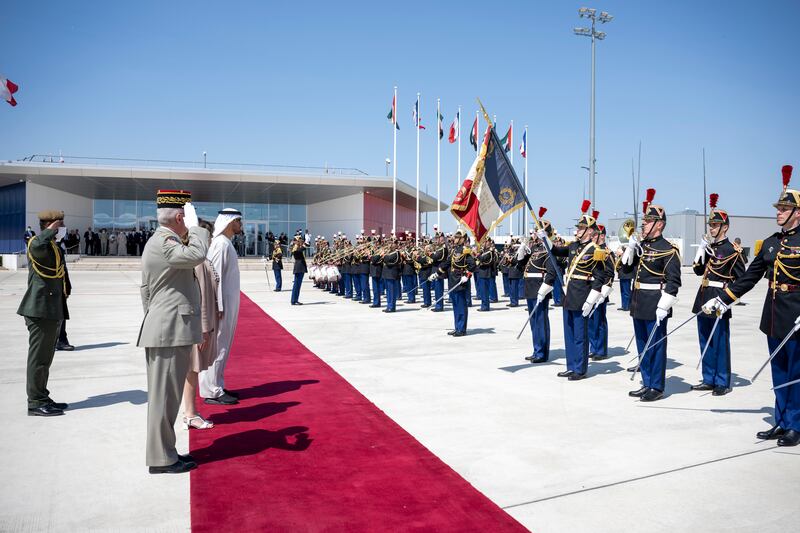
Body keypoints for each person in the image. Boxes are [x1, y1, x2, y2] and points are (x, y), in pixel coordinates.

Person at [707, 165, 800, 446]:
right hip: (774, 317)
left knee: (796, 373)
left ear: (798, 212)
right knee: (779, 371)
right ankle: (781, 421)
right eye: (778, 208)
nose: (778, 212)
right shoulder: (771, 243)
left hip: (796, 317)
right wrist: (723, 298)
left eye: (784, 209)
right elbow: (749, 277)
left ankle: (795, 424)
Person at [137, 190, 208, 474]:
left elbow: (146, 290)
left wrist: (155, 317)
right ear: (180, 217)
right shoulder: (166, 241)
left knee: (166, 398)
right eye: (186, 218)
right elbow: (197, 255)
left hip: (165, 327)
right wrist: (197, 229)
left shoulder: (161, 241)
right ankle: (162, 458)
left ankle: (164, 453)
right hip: (168, 330)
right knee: (164, 399)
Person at [619, 189, 681, 402]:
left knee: (655, 345)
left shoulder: (669, 249)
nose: (643, 224)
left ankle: (656, 386)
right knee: (642, 344)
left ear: (660, 224)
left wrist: (665, 304)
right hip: (638, 301)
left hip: (656, 303)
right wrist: (629, 252)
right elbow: (625, 272)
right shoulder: (641, 246)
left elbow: (674, 281)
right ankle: (646, 382)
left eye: (648, 221)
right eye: (644, 220)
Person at [689, 194, 746, 396]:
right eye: (711, 225)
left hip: (720, 297)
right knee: (705, 339)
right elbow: (697, 271)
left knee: (720, 341)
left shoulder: (733, 250)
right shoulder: (709, 247)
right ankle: (708, 378)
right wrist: (701, 251)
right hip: (704, 295)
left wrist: (728, 300)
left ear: (725, 227)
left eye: (715, 225)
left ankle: (722, 380)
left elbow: (741, 280)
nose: (711, 228)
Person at [547, 201, 611, 380]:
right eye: (579, 226)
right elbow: (556, 251)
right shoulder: (574, 246)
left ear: (590, 231)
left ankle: (580, 369)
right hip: (569, 294)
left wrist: (592, 298)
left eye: (582, 227)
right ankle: (571, 365)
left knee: (579, 334)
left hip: (583, 295)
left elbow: (600, 276)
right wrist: (545, 237)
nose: (578, 230)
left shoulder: (596, 250)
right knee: (569, 333)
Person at [18, 210, 72, 416]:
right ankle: (35, 402)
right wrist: (50, 231)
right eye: (60, 225)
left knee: (45, 359)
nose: (62, 229)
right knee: (38, 359)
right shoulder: (37, 243)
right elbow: (38, 244)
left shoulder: (52, 246)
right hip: (39, 310)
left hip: (50, 310)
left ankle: (42, 396)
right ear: (52, 225)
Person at [199, 208, 243, 406]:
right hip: (221, 306)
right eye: (238, 221)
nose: (240, 224)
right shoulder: (220, 244)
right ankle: (211, 390)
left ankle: (218, 384)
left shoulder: (225, 243)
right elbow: (213, 276)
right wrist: (217, 304)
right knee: (218, 347)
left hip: (228, 304)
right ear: (229, 222)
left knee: (224, 346)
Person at [183, 219, 218, 431]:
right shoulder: (198, 262)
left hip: (200, 326)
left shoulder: (203, 259)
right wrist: (204, 329)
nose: (211, 239)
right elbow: (201, 297)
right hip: (198, 328)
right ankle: (190, 414)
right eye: (208, 235)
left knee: (192, 371)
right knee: (191, 371)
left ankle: (189, 412)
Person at [521, 212, 558, 363]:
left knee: (540, 321)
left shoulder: (549, 249)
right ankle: (536, 349)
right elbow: (523, 266)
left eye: (539, 231)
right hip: (530, 287)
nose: (536, 233)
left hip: (540, 287)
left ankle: (542, 352)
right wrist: (521, 252)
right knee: (534, 322)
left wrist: (545, 288)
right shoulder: (536, 248)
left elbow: (551, 271)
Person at [430, 229, 475, 336]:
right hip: (452, 280)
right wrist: (437, 273)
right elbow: (446, 263)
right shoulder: (454, 250)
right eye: (455, 237)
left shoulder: (465, 250)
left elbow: (473, 265)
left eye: (457, 237)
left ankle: (462, 329)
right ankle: (457, 327)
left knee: (460, 305)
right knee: (455, 305)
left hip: (460, 281)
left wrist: (467, 275)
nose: (454, 239)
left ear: (462, 239)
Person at [588, 220, 615, 361]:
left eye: (595, 235)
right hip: (590, 290)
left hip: (600, 292)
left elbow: (610, 274)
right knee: (591, 321)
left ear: (602, 236)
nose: (592, 238)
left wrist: (604, 292)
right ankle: (593, 348)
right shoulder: (591, 249)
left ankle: (601, 350)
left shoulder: (607, 252)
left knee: (599, 321)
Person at [381, 238, 401, 312]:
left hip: (392, 273)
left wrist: (385, 257)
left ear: (395, 244)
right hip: (387, 273)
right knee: (388, 291)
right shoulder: (389, 252)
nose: (390, 245)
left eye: (392, 243)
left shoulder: (396, 252)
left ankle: (392, 307)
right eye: (389, 243)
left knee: (391, 291)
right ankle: (388, 305)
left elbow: (390, 260)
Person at [290, 234, 308, 305]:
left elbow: (303, 248)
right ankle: (294, 300)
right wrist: (304, 245)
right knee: (297, 285)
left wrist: (304, 244)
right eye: (299, 241)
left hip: (300, 268)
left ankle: (295, 299)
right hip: (299, 268)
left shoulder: (298, 247)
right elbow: (299, 251)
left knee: (297, 285)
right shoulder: (296, 248)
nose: (301, 242)